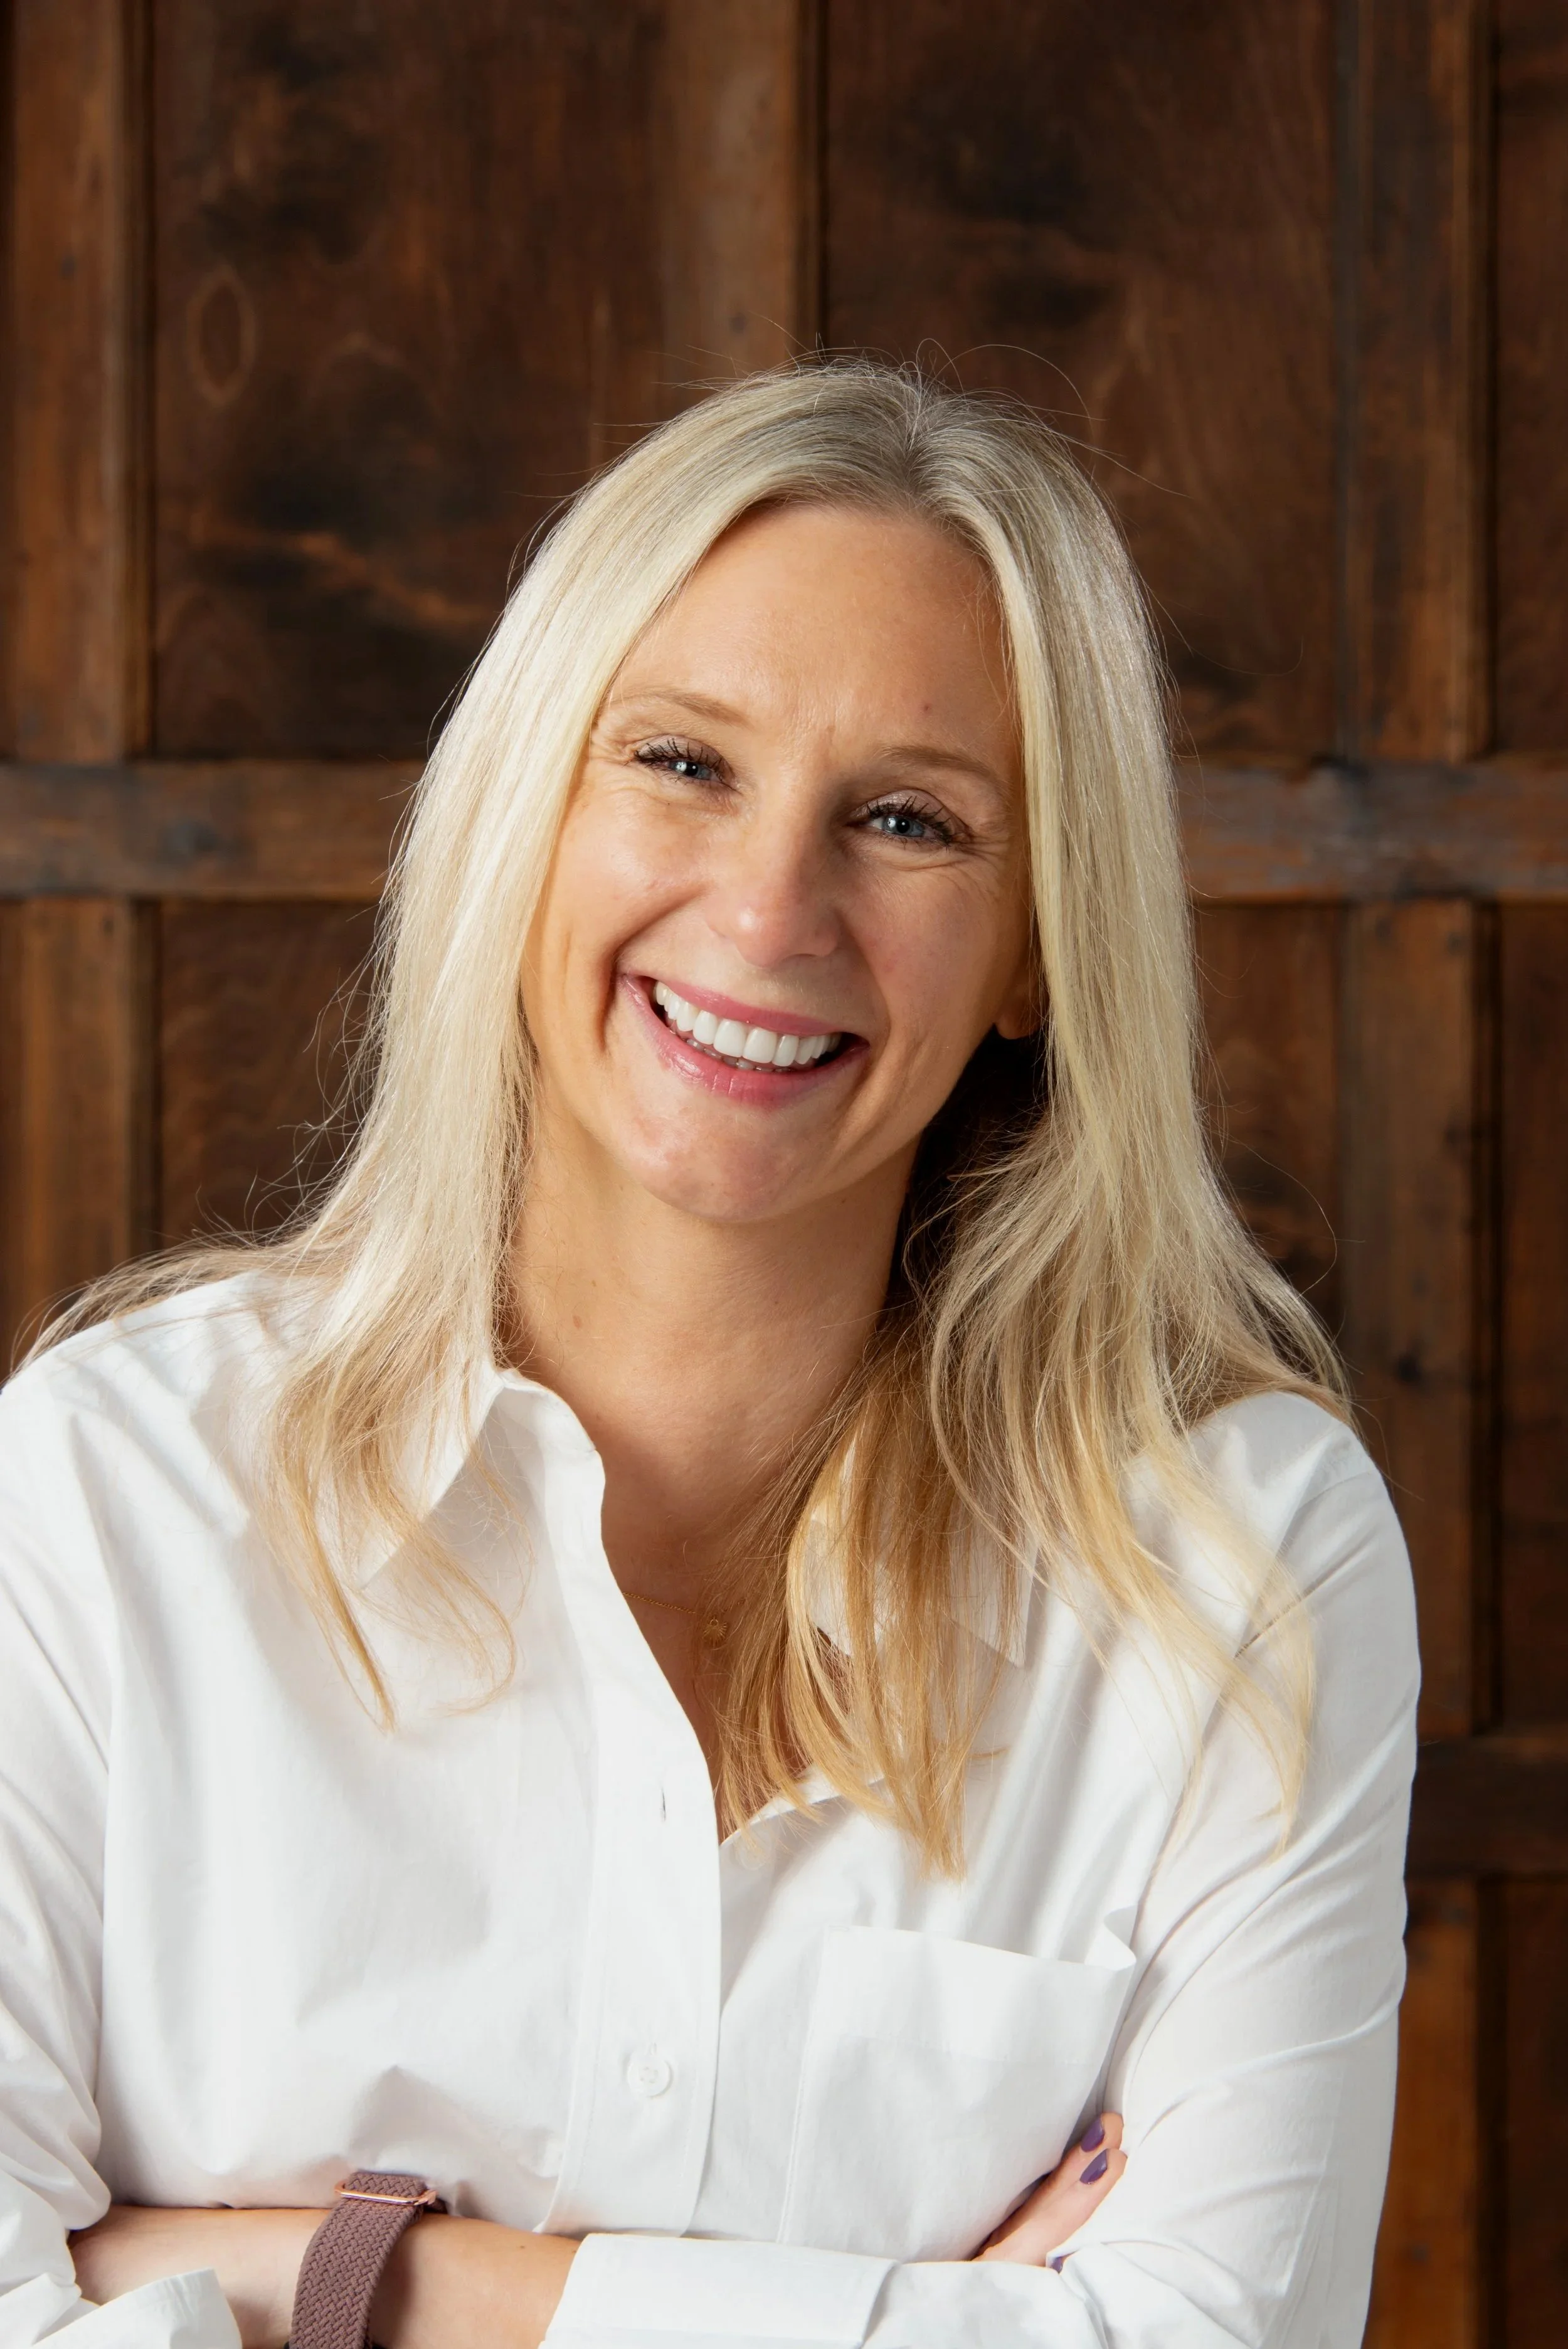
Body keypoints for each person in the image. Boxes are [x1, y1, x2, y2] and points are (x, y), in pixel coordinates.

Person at [0, 363, 1416, 2349]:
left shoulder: (1236, 1557)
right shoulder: (97, 1491)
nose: (768, 908)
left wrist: (330, 2282)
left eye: (911, 819)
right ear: (524, 817)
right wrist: (892, 2312)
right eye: (678, 763)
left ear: (1034, 947)